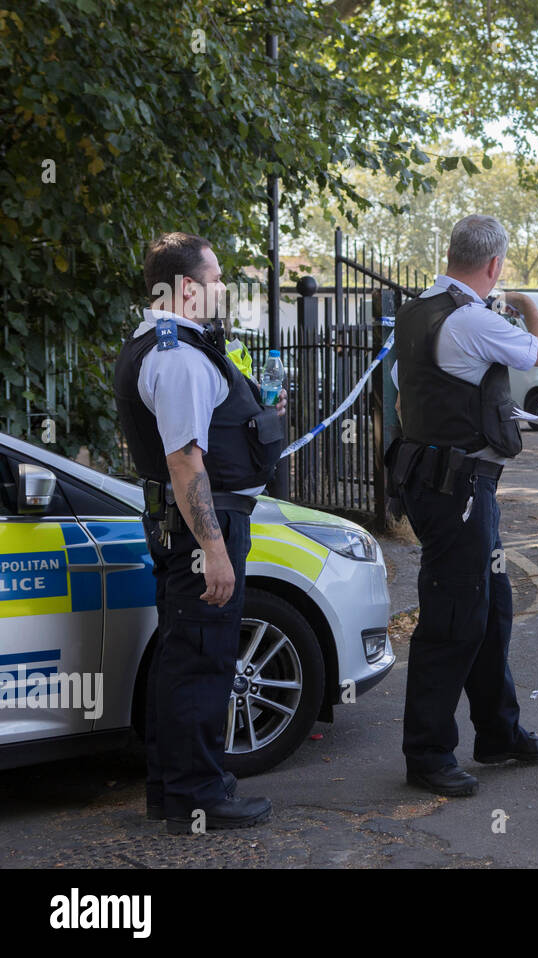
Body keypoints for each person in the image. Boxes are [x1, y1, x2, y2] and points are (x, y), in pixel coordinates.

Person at [388, 214, 538, 798]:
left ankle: (499, 732)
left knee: (491, 608)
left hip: (442, 480)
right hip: (456, 487)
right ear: (494, 265)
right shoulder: (471, 318)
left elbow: (410, 388)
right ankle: (429, 754)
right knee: (455, 618)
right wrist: (529, 304)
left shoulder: (418, 310)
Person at [113, 232, 282, 834]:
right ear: (187, 289)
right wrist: (213, 548)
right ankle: (197, 797)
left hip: (181, 522)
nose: (222, 292)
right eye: (215, 281)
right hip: (200, 527)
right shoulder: (176, 354)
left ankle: (174, 790)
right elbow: (185, 462)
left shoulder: (164, 345)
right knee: (204, 660)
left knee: (184, 657)